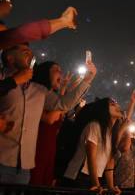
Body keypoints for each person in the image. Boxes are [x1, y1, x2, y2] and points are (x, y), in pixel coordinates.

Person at [0, 43, 93, 184]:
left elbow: (63, 104)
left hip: (24, 166)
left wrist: (88, 77)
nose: (29, 53)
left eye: (30, 51)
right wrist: (14, 81)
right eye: (24, 50)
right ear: (10, 58)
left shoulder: (38, 89)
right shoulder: (2, 80)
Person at [30, 61, 96, 186]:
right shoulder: (40, 91)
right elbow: (64, 104)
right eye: (56, 69)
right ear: (44, 73)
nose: (60, 72)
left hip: (49, 149)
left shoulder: (48, 94)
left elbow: (63, 104)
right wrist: (88, 79)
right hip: (38, 147)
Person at [62, 97, 124, 194]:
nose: (118, 106)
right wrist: (96, 184)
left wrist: (111, 186)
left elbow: (109, 162)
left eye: (117, 104)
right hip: (79, 176)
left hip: (94, 176)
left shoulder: (111, 133)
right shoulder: (94, 126)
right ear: (104, 110)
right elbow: (91, 157)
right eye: (112, 104)